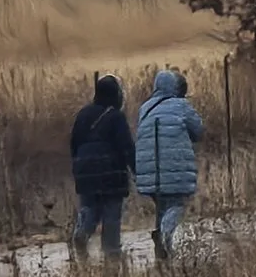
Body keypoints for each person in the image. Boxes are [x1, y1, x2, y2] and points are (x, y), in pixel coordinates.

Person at [132, 67, 204, 261]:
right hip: (173, 167)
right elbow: (198, 130)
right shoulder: (181, 106)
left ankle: (163, 258)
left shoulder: (145, 108)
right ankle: (164, 237)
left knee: (162, 208)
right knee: (177, 204)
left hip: (148, 169)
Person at [67, 74, 136, 262]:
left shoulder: (82, 114)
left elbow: (73, 144)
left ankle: (82, 232)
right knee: (111, 214)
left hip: (85, 172)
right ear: (116, 94)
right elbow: (126, 146)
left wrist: (79, 168)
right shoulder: (116, 116)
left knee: (90, 207)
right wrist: (136, 170)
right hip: (111, 173)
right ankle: (112, 254)